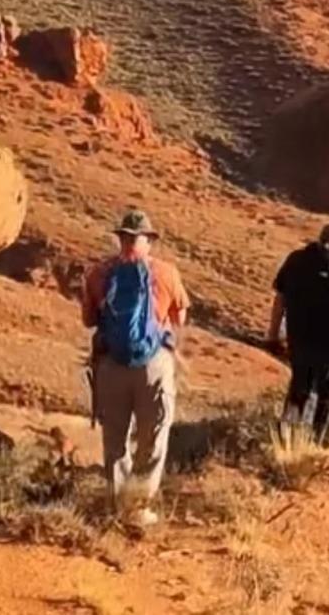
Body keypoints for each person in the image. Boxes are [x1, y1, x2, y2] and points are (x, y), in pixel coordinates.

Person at [82, 209, 190, 526]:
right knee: (153, 435)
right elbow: (179, 320)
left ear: (121, 238)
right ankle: (139, 508)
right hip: (154, 364)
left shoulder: (99, 273)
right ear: (149, 240)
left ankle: (118, 507)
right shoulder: (167, 273)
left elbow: (89, 320)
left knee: (115, 440)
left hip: (111, 363)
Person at [267, 222, 329, 448]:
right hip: (327, 343)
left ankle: (286, 438)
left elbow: (279, 301)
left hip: (298, 339)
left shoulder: (295, 259)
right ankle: (319, 443)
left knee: (299, 388)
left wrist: (273, 335)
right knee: (328, 394)